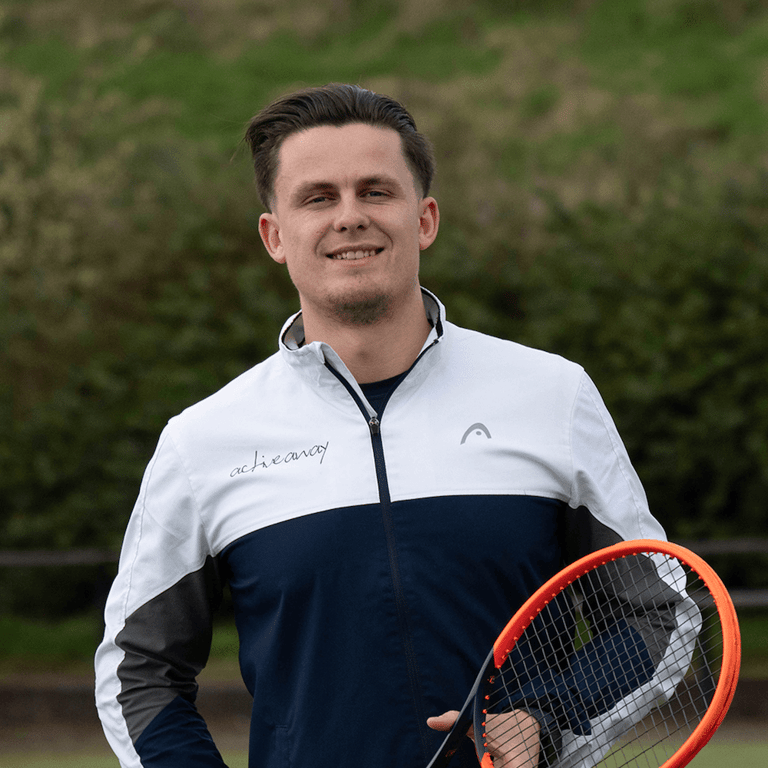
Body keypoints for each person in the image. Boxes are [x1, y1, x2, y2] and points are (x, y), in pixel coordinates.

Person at [95, 83, 688, 768]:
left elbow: (660, 612)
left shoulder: (552, 395)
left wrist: (548, 721)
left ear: (425, 219)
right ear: (275, 236)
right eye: (318, 198)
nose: (350, 218)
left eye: (376, 192)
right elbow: (138, 671)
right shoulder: (203, 441)